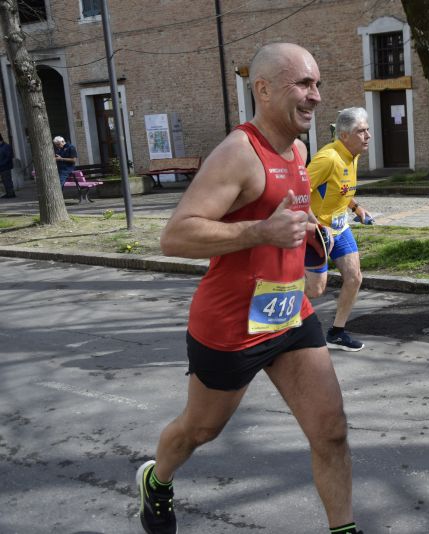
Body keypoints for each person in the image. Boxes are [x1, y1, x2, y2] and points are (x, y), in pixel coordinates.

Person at [136, 43, 362, 534]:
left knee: (331, 431)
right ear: (263, 89)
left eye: (317, 84)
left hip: (288, 313)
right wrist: (260, 232)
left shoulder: (299, 150)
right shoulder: (239, 153)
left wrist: (313, 250)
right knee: (200, 430)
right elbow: (175, 236)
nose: (316, 95)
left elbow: (291, 214)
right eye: (303, 84)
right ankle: (157, 479)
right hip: (231, 325)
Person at [305, 107, 372, 352]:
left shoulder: (353, 154)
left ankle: (336, 333)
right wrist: (315, 226)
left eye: (367, 130)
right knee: (315, 289)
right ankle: (270, 304)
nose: (368, 135)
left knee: (354, 277)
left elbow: (339, 189)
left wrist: (356, 207)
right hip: (316, 230)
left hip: (339, 227)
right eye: (361, 131)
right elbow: (299, 193)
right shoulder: (328, 158)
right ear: (344, 135)